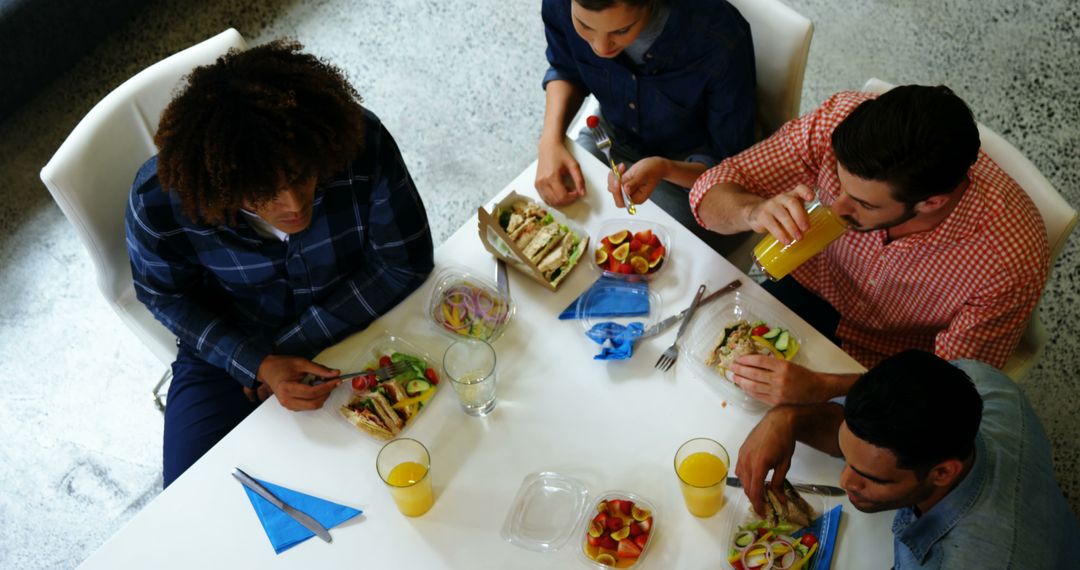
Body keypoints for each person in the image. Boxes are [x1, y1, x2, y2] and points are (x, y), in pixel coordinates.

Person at [125, 41, 434, 486]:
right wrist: (256, 362)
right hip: (226, 347)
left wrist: (287, 348)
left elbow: (404, 262)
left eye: (302, 174)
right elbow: (165, 296)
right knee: (193, 496)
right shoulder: (158, 200)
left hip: (355, 307)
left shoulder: (357, 143)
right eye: (263, 192)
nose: (294, 204)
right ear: (223, 187)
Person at [689, 85, 1049, 404]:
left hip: (894, 363)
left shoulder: (1008, 258)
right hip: (808, 290)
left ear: (932, 202)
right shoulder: (837, 124)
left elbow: (950, 389)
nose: (838, 206)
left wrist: (827, 387)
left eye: (865, 204)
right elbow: (710, 192)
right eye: (840, 185)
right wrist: (752, 210)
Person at [736, 350, 1079, 568]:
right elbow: (889, 410)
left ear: (943, 472)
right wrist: (788, 418)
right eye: (849, 459)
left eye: (871, 478)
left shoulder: (962, 559)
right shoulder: (980, 382)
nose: (844, 482)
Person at [537, 0, 755, 253]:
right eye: (584, 25)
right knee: (555, 223)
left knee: (647, 255)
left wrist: (665, 168)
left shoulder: (719, 38)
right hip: (610, 136)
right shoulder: (560, 4)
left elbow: (730, 162)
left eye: (621, 31)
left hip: (691, 172)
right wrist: (550, 141)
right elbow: (566, 68)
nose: (600, 47)